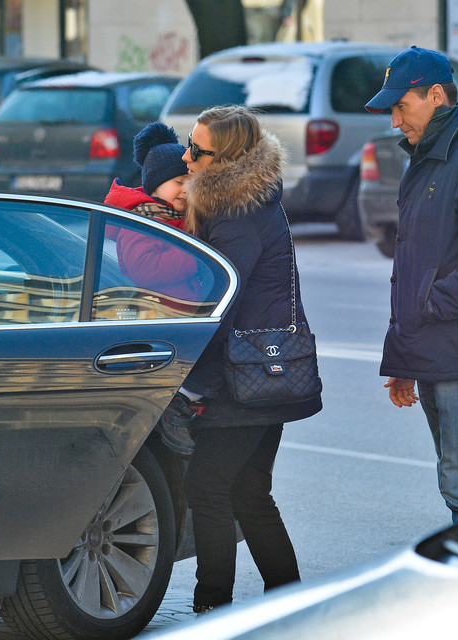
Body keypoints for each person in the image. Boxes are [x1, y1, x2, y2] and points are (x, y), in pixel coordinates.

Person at [173, 105, 322, 613]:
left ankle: (211, 606)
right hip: (263, 369)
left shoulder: (233, 214)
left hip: (240, 377)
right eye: (187, 144)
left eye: (197, 150)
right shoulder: (254, 203)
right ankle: (288, 603)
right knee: (251, 493)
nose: (186, 156)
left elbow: (218, 299)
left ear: (228, 159)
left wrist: (184, 367)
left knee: (208, 486)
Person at [364, 46, 458, 523]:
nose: (394, 122)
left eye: (400, 107)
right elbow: (412, 268)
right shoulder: (428, 160)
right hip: (438, 352)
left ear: (435, 96)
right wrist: (406, 359)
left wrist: (430, 305)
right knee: (457, 486)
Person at [103, 122, 201, 300]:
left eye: (191, 182)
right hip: (161, 312)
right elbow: (144, 268)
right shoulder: (141, 222)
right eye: (179, 182)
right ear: (155, 185)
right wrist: (198, 258)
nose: (187, 189)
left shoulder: (183, 216)